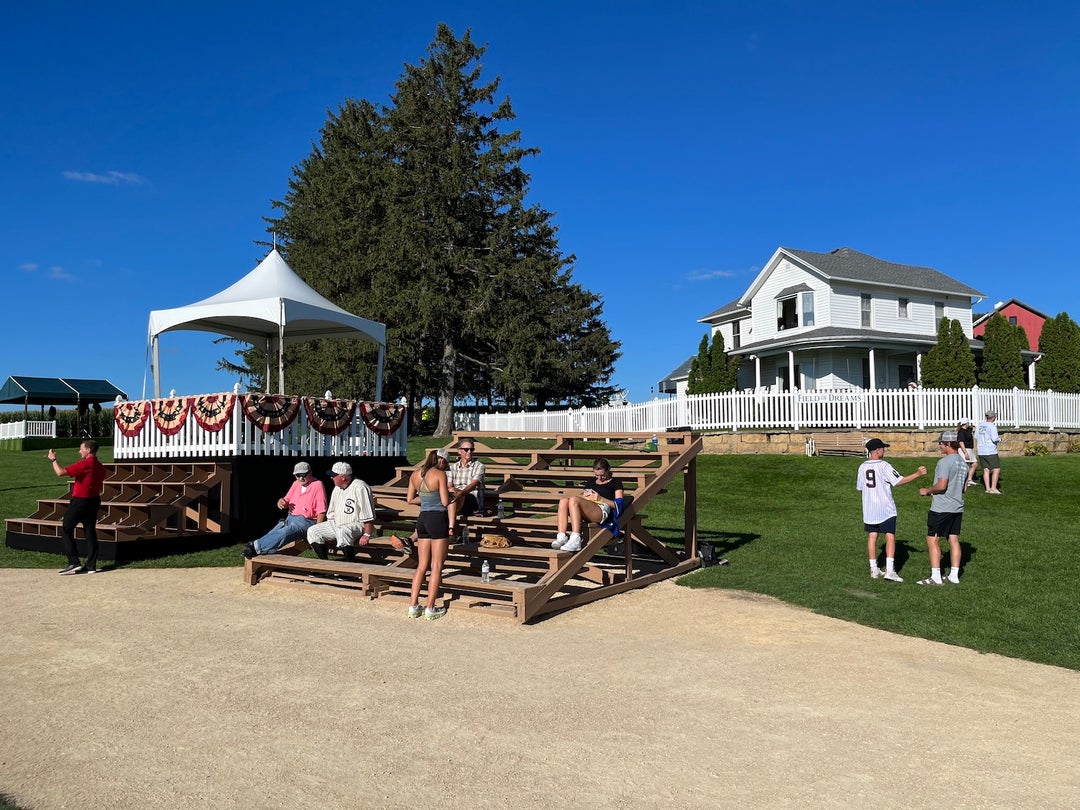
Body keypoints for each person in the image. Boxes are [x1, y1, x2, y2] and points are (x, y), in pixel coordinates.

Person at [856, 438, 926, 582]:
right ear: (877, 451)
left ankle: (874, 569)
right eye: (883, 448)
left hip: (869, 508)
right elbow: (898, 480)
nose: (884, 450)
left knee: (872, 536)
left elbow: (860, 487)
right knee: (890, 536)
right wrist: (917, 474)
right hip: (885, 508)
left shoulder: (862, 467)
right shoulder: (884, 465)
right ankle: (889, 570)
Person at [242, 462, 327, 558]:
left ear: (310, 473)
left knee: (284, 533)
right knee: (274, 532)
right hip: (290, 518)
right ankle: (265, 552)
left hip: (306, 521)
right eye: (297, 475)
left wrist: (316, 531)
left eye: (303, 475)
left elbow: (322, 511)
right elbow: (287, 500)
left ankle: (254, 547)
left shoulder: (317, 485)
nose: (300, 478)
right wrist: (281, 502)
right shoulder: (296, 484)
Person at [48, 440, 108, 575]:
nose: (79, 451)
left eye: (81, 449)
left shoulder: (85, 464)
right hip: (94, 500)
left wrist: (53, 460)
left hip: (81, 501)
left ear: (88, 450)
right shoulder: (100, 466)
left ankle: (74, 562)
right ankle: (91, 565)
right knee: (90, 531)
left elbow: (60, 472)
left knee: (66, 528)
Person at [917, 429, 968, 585]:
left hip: (941, 507)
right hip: (957, 507)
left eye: (941, 443)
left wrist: (927, 491)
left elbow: (941, 485)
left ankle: (936, 577)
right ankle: (954, 575)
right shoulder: (963, 463)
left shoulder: (944, 462)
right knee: (953, 538)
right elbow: (964, 489)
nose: (939, 445)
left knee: (932, 539)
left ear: (948, 443)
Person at [406, 448, 451, 620]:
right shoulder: (439, 475)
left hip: (422, 518)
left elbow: (410, 499)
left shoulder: (415, 474)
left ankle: (413, 605)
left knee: (422, 566)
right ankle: (430, 607)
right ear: (440, 460)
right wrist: (451, 496)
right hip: (437, 518)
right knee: (437, 566)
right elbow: (445, 501)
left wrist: (427, 498)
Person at [553, 458, 625, 554]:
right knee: (563, 500)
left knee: (574, 500)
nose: (599, 478)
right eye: (596, 475)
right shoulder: (591, 482)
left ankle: (576, 538)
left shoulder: (615, 483)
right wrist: (587, 498)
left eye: (602, 475)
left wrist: (600, 498)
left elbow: (619, 505)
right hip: (589, 508)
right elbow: (584, 499)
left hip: (602, 510)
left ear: (608, 469)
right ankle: (561, 537)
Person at [307, 462, 377, 561]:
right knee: (313, 530)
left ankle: (349, 565)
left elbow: (368, 513)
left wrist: (367, 534)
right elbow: (331, 513)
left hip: (357, 525)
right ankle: (325, 564)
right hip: (337, 523)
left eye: (334, 475)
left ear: (343, 477)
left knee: (343, 531)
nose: (331, 478)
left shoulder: (360, 487)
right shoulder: (337, 488)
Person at [445, 438, 485, 536]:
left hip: (472, 500)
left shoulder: (479, 466)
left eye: (472, 449)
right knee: (449, 493)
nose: (469, 452)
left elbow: (473, 484)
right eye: (466, 449)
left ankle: (451, 529)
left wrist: (460, 493)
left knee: (450, 496)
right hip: (455, 499)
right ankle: (450, 530)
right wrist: (456, 494)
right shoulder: (452, 467)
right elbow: (449, 485)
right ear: (459, 451)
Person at [976, 410, 1002, 493]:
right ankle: (993, 488)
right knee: (996, 469)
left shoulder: (980, 425)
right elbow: (994, 438)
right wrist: (999, 439)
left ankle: (987, 488)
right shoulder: (992, 426)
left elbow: (976, 436)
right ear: (993, 417)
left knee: (986, 469)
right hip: (990, 451)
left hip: (981, 450)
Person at [957, 418, 978, 488]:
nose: (969, 423)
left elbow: (974, 429)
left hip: (970, 449)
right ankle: (963, 480)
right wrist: (965, 453)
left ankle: (969, 479)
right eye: (968, 422)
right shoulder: (961, 432)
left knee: (974, 464)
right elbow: (961, 442)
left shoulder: (968, 429)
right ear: (965, 423)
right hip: (964, 449)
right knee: (965, 465)